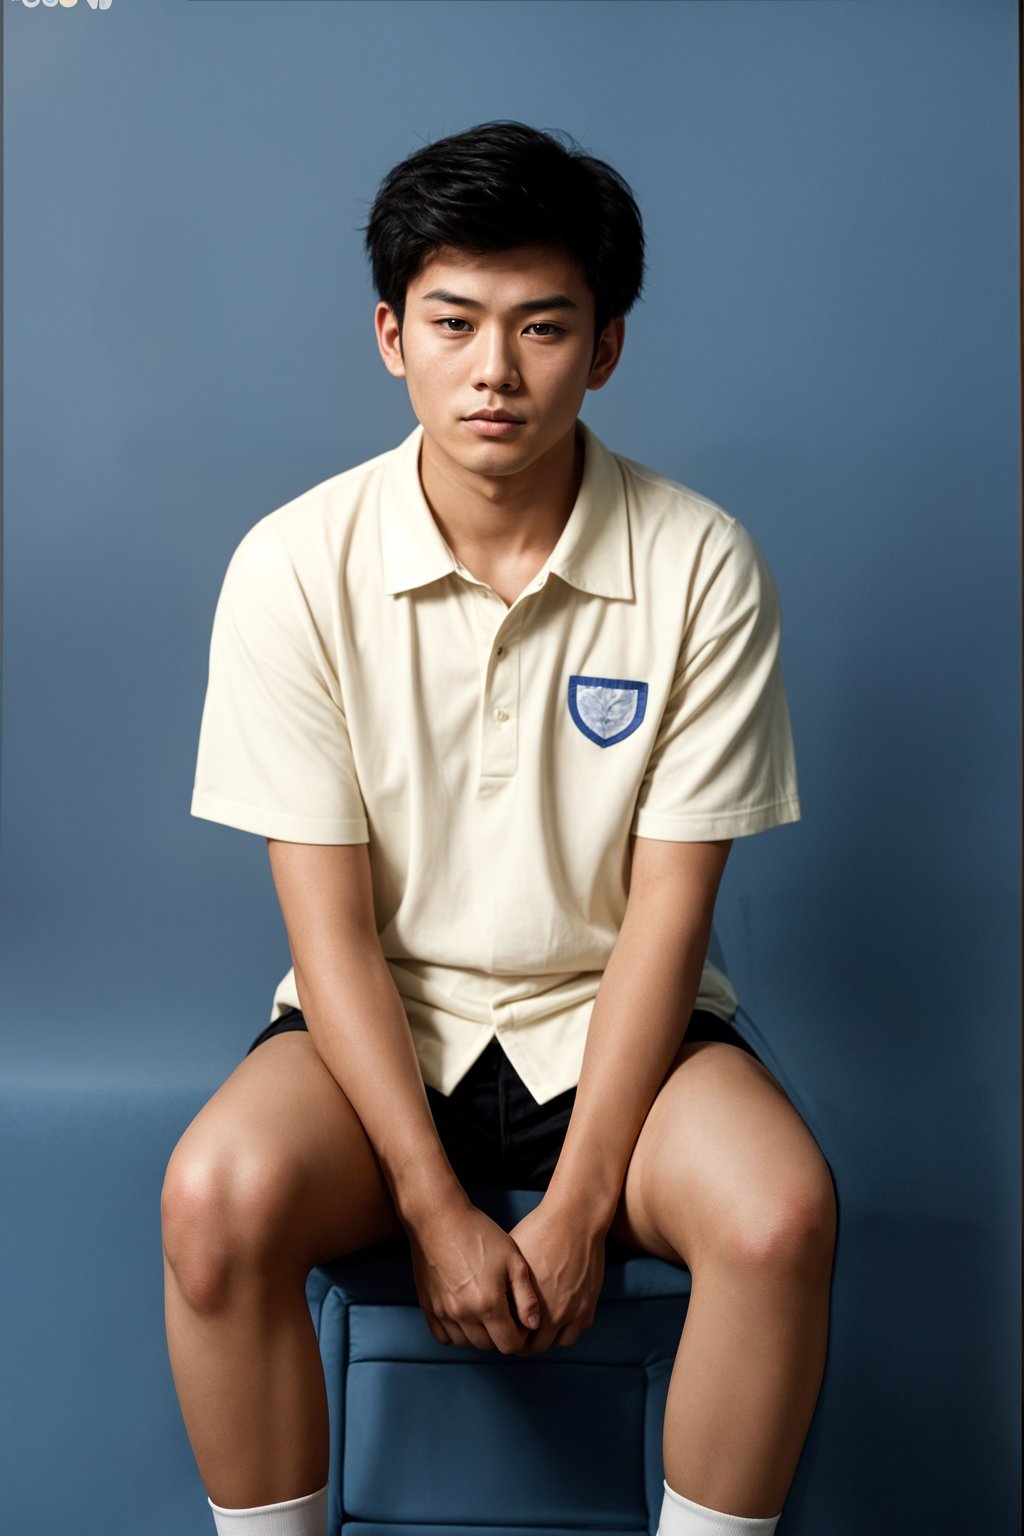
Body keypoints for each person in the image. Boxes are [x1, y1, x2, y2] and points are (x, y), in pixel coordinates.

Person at [163, 121, 837, 1536]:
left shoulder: (699, 560)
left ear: (604, 350)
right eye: (455, 322)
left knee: (779, 1217)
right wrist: (432, 1201)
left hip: (618, 1031)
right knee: (214, 1200)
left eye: (543, 327)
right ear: (389, 334)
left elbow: (669, 912)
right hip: (379, 1032)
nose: (495, 370)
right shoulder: (294, 565)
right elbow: (327, 926)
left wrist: (581, 1199)